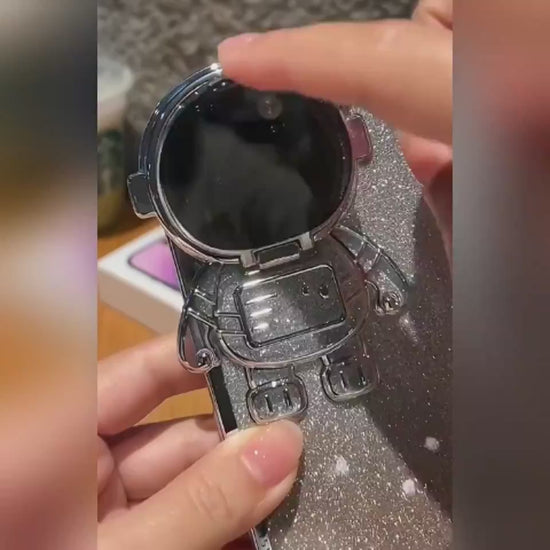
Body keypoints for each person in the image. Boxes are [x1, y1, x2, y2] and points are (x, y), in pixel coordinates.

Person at [98, 1, 452, 548]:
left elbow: (363, 258)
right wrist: (196, 339)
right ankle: (277, 389)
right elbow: (203, 309)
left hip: (321, 331)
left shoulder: (318, 239)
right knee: (276, 401)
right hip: (270, 345)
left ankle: (310, 378)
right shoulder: (237, 270)